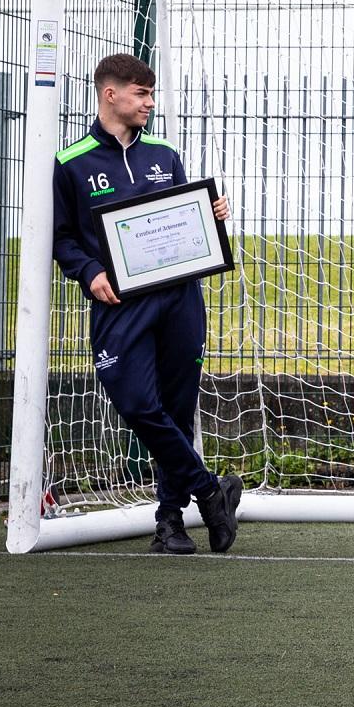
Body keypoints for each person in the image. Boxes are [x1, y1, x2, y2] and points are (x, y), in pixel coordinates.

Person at [51, 54, 240, 554]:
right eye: (141, 94)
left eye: (152, 95)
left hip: (180, 298)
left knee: (178, 409)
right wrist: (89, 273)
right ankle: (209, 491)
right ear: (110, 94)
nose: (149, 104)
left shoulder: (165, 155)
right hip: (120, 305)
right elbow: (62, 237)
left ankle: (170, 523)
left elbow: (184, 225)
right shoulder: (71, 163)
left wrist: (213, 215)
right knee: (136, 403)